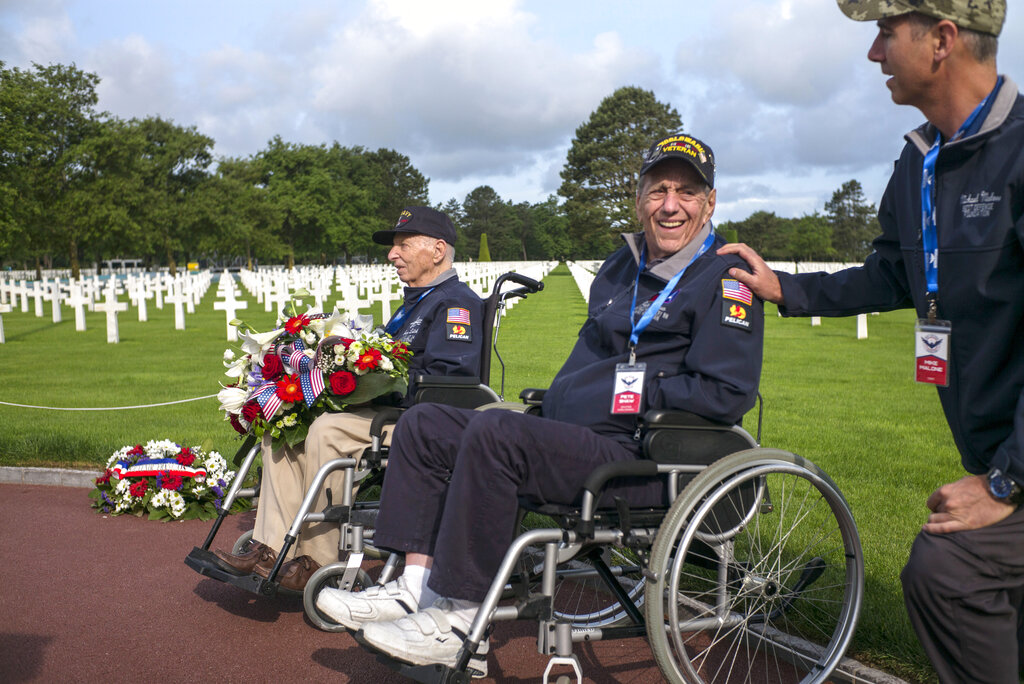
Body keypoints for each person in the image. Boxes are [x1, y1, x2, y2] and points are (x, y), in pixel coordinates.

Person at [315, 134, 764, 676]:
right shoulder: (621, 268)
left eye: (687, 192)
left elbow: (727, 391)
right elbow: (591, 358)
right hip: (577, 437)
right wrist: (563, 398)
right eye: (658, 190)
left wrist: (632, 391)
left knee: (496, 436)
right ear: (639, 198)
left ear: (709, 202)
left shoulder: (726, 278)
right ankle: (415, 589)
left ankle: (459, 617)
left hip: (643, 454)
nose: (670, 204)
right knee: (428, 424)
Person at [718, 2, 1023, 681]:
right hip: (992, 441)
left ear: (942, 40)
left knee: (950, 570)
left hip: (1014, 462)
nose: (873, 54)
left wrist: (1007, 481)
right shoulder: (920, 163)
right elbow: (892, 272)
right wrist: (786, 290)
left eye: (886, 33)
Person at [213, 207, 484, 591]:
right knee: (285, 427)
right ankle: (272, 548)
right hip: (386, 412)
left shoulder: (456, 303)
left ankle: (317, 560)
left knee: (326, 429)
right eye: (394, 247)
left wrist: (376, 380)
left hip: (423, 421)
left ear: (438, 251)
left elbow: (451, 378)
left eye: (403, 245)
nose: (392, 255)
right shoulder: (416, 303)